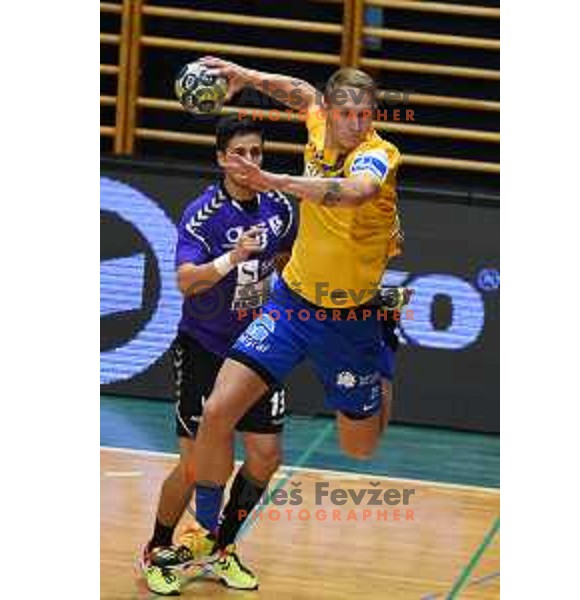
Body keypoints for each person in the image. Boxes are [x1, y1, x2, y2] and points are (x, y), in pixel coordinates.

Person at [186, 58, 406, 584]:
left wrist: (275, 180)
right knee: (217, 409)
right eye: (346, 114)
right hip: (292, 303)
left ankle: (385, 351)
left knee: (361, 447)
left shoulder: (379, 155)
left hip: (351, 318)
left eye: (365, 115)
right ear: (331, 112)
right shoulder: (317, 120)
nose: (356, 123)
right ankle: (211, 534)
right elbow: (301, 92)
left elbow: (356, 192)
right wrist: (247, 77)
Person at [140, 115, 297, 595]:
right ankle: (158, 548)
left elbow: (288, 260)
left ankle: (220, 548)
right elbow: (186, 282)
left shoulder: (280, 209)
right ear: (221, 158)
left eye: (257, 152)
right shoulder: (203, 214)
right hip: (205, 346)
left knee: (266, 456)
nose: (250, 161)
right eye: (240, 153)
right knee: (196, 467)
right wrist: (233, 258)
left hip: (258, 348)